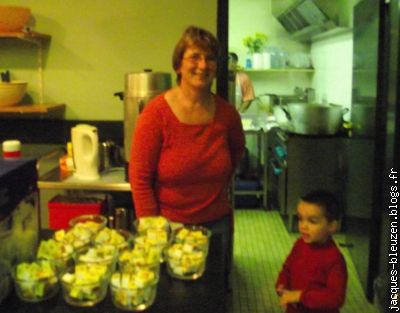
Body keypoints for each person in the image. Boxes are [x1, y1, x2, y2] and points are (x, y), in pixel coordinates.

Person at [129, 26, 245, 286]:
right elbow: (139, 178)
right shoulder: (155, 115)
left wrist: (213, 184)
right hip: (169, 228)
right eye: (195, 57)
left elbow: (237, 151)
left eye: (210, 58)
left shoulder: (227, 115)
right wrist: (154, 231)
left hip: (217, 227)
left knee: (214, 297)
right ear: (179, 64)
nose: (203, 65)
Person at [275, 189, 348, 313]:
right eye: (300, 219)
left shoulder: (334, 259)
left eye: (312, 221)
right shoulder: (300, 244)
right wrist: (282, 283)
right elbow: (287, 268)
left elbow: (336, 298)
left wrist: (300, 296)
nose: (303, 226)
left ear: (332, 226)